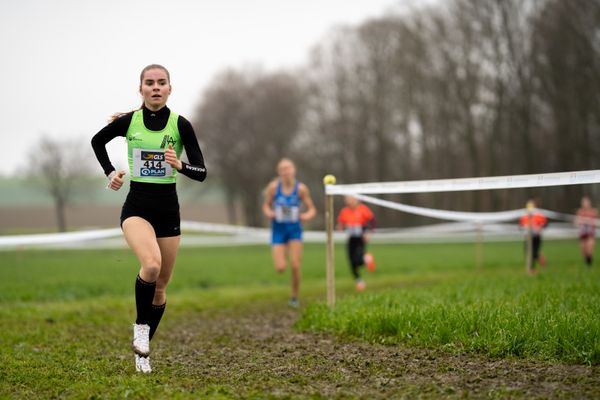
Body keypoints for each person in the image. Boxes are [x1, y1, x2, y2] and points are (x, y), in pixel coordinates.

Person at [91, 64, 207, 373]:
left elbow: (202, 172)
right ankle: (140, 329)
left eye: (161, 83)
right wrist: (110, 172)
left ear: (170, 88)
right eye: (149, 83)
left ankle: (142, 353)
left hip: (168, 211)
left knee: (161, 287)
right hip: (137, 208)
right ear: (141, 89)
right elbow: (97, 142)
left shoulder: (181, 125)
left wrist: (179, 165)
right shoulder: (130, 122)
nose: (155, 87)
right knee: (151, 266)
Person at [262, 158, 316, 308]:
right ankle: (283, 251)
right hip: (278, 230)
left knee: (295, 265)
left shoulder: (301, 189)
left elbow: (312, 209)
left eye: (288, 168)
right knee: (280, 268)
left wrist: (306, 216)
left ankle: (294, 296)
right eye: (282, 169)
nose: (285, 172)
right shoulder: (273, 188)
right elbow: (265, 206)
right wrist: (269, 213)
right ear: (279, 172)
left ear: (294, 170)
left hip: (294, 230)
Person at [337, 196, 376, 291]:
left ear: (356, 199)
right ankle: (359, 281)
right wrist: (340, 227)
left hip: (360, 238)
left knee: (357, 260)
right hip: (351, 238)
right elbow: (340, 223)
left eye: (349, 199)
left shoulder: (363, 209)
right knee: (351, 261)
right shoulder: (344, 211)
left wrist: (369, 233)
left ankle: (367, 259)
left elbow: (373, 221)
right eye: (346, 199)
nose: (347, 201)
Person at [519, 198, 548, 272]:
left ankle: (539, 258)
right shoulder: (524, 214)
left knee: (534, 252)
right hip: (528, 236)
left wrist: (540, 228)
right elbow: (520, 225)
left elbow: (545, 224)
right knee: (527, 252)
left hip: (536, 236)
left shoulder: (539, 214)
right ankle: (532, 268)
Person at [576, 196, 597, 267]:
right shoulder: (580, 211)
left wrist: (589, 221)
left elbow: (596, 222)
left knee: (589, 248)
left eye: (586, 202)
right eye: (583, 202)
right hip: (583, 233)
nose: (585, 204)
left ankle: (589, 264)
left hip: (590, 233)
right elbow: (577, 222)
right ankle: (586, 263)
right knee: (583, 249)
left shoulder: (593, 211)